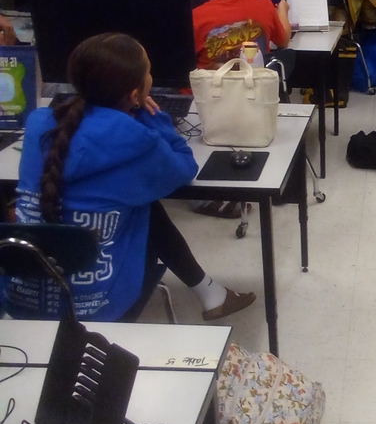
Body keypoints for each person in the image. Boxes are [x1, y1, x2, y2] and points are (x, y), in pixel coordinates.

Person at [5, 32, 256, 322]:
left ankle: (210, 292)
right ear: (135, 94)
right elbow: (185, 167)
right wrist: (153, 117)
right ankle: (209, 292)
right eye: (148, 71)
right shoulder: (137, 140)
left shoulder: (39, 123)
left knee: (133, 198)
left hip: (22, 299)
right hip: (97, 307)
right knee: (143, 204)